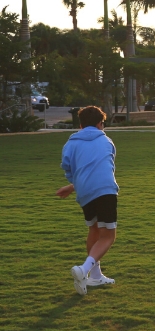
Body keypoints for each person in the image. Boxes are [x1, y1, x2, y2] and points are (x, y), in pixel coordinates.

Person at [56, 106, 119, 296]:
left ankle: (96, 276)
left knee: (94, 229)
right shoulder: (107, 141)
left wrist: (72, 185)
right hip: (105, 190)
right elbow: (104, 168)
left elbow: (71, 168)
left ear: (80, 124)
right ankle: (83, 270)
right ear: (101, 123)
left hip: (84, 192)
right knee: (108, 235)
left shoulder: (71, 143)